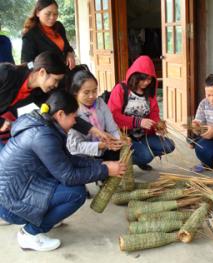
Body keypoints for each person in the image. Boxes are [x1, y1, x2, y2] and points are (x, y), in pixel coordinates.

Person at [0, 90, 126, 251]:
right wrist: (105, 171)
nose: (75, 122)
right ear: (60, 114)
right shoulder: (43, 136)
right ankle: (30, 234)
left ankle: (47, 218)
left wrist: (102, 164)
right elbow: (69, 176)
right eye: (74, 116)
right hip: (10, 204)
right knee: (76, 193)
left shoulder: (44, 124)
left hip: (17, 189)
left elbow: (67, 160)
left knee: (69, 187)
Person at [0, 51, 113, 151]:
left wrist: (95, 131)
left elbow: (63, 112)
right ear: (42, 72)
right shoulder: (6, 73)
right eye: (55, 80)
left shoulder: (39, 92)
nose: (56, 85)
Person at [108, 55, 175, 170]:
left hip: (143, 136)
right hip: (124, 137)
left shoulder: (149, 92)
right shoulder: (121, 89)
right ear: (135, 76)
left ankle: (140, 153)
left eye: (149, 79)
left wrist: (158, 125)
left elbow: (154, 115)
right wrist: (138, 122)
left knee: (168, 145)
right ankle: (124, 160)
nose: (146, 83)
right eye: (143, 79)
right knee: (146, 156)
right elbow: (113, 116)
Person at [67, 69, 124, 160]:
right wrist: (99, 145)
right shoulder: (71, 112)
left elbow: (112, 129)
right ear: (75, 92)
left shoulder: (100, 103)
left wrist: (119, 140)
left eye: (94, 91)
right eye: (86, 92)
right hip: (84, 157)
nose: (92, 96)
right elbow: (75, 147)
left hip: (105, 149)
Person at [21, 0, 75, 70]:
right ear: (37, 13)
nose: (52, 17)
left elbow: (67, 48)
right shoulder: (30, 35)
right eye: (48, 14)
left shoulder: (59, 26)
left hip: (66, 72)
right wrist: (38, 73)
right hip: (47, 78)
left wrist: (70, 54)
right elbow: (27, 63)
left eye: (55, 14)